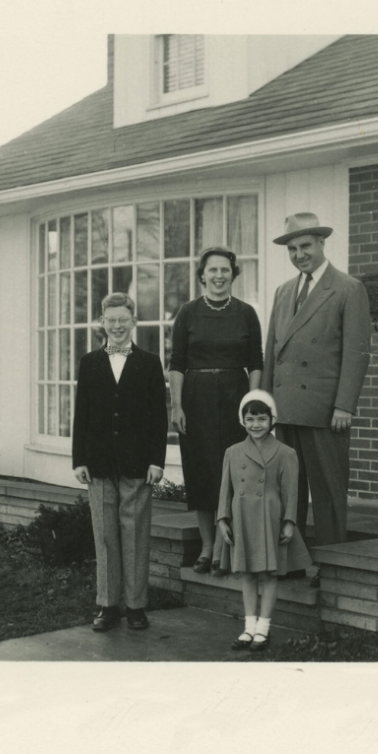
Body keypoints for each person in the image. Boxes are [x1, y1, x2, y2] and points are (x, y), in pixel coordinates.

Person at [261, 213, 372, 587]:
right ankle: (289, 563)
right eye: (292, 249)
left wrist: (345, 404)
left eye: (305, 246)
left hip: (325, 410)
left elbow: (356, 352)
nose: (298, 255)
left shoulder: (347, 288)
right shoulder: (282, 291)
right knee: (287, 491)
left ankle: (333, 568)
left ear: (322, 244)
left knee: (326, 493)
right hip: (286, 408)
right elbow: (270, 355)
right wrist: (265, 405)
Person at [72, 293, 169, 632]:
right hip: (98, 463)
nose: (116, 326)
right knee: (106, 537)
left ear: (133, 322)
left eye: (122, 320)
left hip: (137, 464)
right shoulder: (89, 362)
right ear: (102, 323)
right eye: (110, 320)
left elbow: (159, 417)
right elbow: (81, 413)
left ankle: (136, 606)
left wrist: (157, 461)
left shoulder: (149, 362)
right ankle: (107, 605)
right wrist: (78, 458)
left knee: (135, 535)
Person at [168, 246, 263, 576]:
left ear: (233, 275)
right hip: (196, 398)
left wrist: (252, 407)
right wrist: (177, 405)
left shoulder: (246, 313)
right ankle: (208, 547)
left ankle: (229, 549)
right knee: (203, 474)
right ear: (202, 275)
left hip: (235, 399)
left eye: (225, 270)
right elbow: (177, 363)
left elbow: (256, 363)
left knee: (236, 473)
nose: (219, 275)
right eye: (213, 270)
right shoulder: (188, 313)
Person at [216, 390, 312, 652]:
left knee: (270, 574)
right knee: (246, 573)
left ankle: (264, 629)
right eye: (250, 419)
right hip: (242, 517)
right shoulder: (233, 452)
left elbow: (292, 492)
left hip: (270, 518)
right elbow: (226, 489)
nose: (255, 425)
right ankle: (249, 627)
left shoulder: (285, 452)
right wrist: (223, 519)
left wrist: (290, 521)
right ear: (242, 421)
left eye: (261, 419)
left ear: (272, 421)